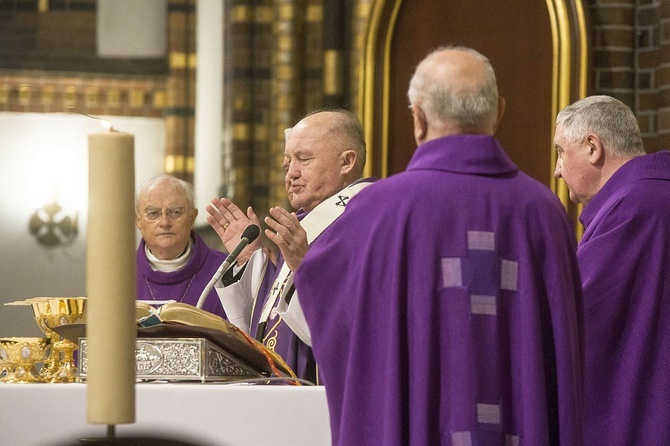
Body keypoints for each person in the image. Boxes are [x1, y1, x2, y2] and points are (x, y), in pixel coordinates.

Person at [294, 46, 584, 445]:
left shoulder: (375, 212)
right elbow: (561, 362)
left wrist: (304, 265)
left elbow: (339, 332)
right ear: (498, 112)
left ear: (418, 117)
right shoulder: (544, 213)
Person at [206, 109, 371, 382]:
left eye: (304, 159)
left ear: (347, 162)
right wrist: (248, 260)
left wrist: (308, 269)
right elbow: (272, 326)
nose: (291, 174)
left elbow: (358, 326)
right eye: (287, 164)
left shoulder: (367, 220)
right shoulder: (304, 223)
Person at [553, 95, 670, 445]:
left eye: (561, 151)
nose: (558, 169)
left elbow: (577, 314)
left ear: (593, 147)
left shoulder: (633, 208)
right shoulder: (652, 196)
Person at [135, 174, 227, 318]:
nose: (165, 223)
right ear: (138, 221)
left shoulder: (225, 271)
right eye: (153, 213)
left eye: (175, 212)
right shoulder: (118, 276)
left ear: (193, 217)